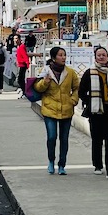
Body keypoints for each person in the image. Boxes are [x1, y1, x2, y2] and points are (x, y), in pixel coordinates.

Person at [77, 46, 108, 179]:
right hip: (95, 111)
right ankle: (98, 165)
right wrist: (90, 101)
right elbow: (81, 92)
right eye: (99, 55)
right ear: (95, 57)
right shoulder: (89, 73)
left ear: (107, 56)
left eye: (103, 55)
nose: (101, 57)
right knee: (97, 140)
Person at [34, 47, 80, 175]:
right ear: (54, 58)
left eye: (64, 55)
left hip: (66, 108)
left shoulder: (70, 73)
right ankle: (51, 161)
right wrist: (45, 82)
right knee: (52, 137)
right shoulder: (46, 71)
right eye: (60, 55)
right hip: (50, 109)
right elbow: (37, 88)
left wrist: (73, 100)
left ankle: (62, 165)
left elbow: (76, 88)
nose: (63, 57)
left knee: (64, 138)